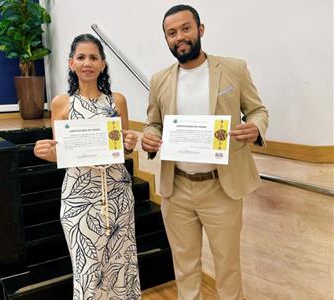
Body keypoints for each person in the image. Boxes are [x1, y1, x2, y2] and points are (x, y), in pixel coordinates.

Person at [141, 4, 269, 300]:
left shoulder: (234, 68)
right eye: (171, 33)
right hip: (177, 187)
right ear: (166, 39)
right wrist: (149, 137)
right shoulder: (159, 79)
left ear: (200, 30)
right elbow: (153, 123)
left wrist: (256, 128)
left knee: (227, 268)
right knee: (185, 268)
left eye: (186, 28)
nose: (180, 37)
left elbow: (258, 110)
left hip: (220, 187)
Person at [34, 33, 141, 299]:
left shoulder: (117, 101)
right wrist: (44, 152)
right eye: (81, 57)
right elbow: (63, 153)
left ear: (103, 64)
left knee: (122, 266)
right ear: (71, 63)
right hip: (80, 198)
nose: (87, 63)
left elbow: (123, 148)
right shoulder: (62, 103)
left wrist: (130, 142)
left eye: (94, 57)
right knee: (87, 270)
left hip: (118, 195)